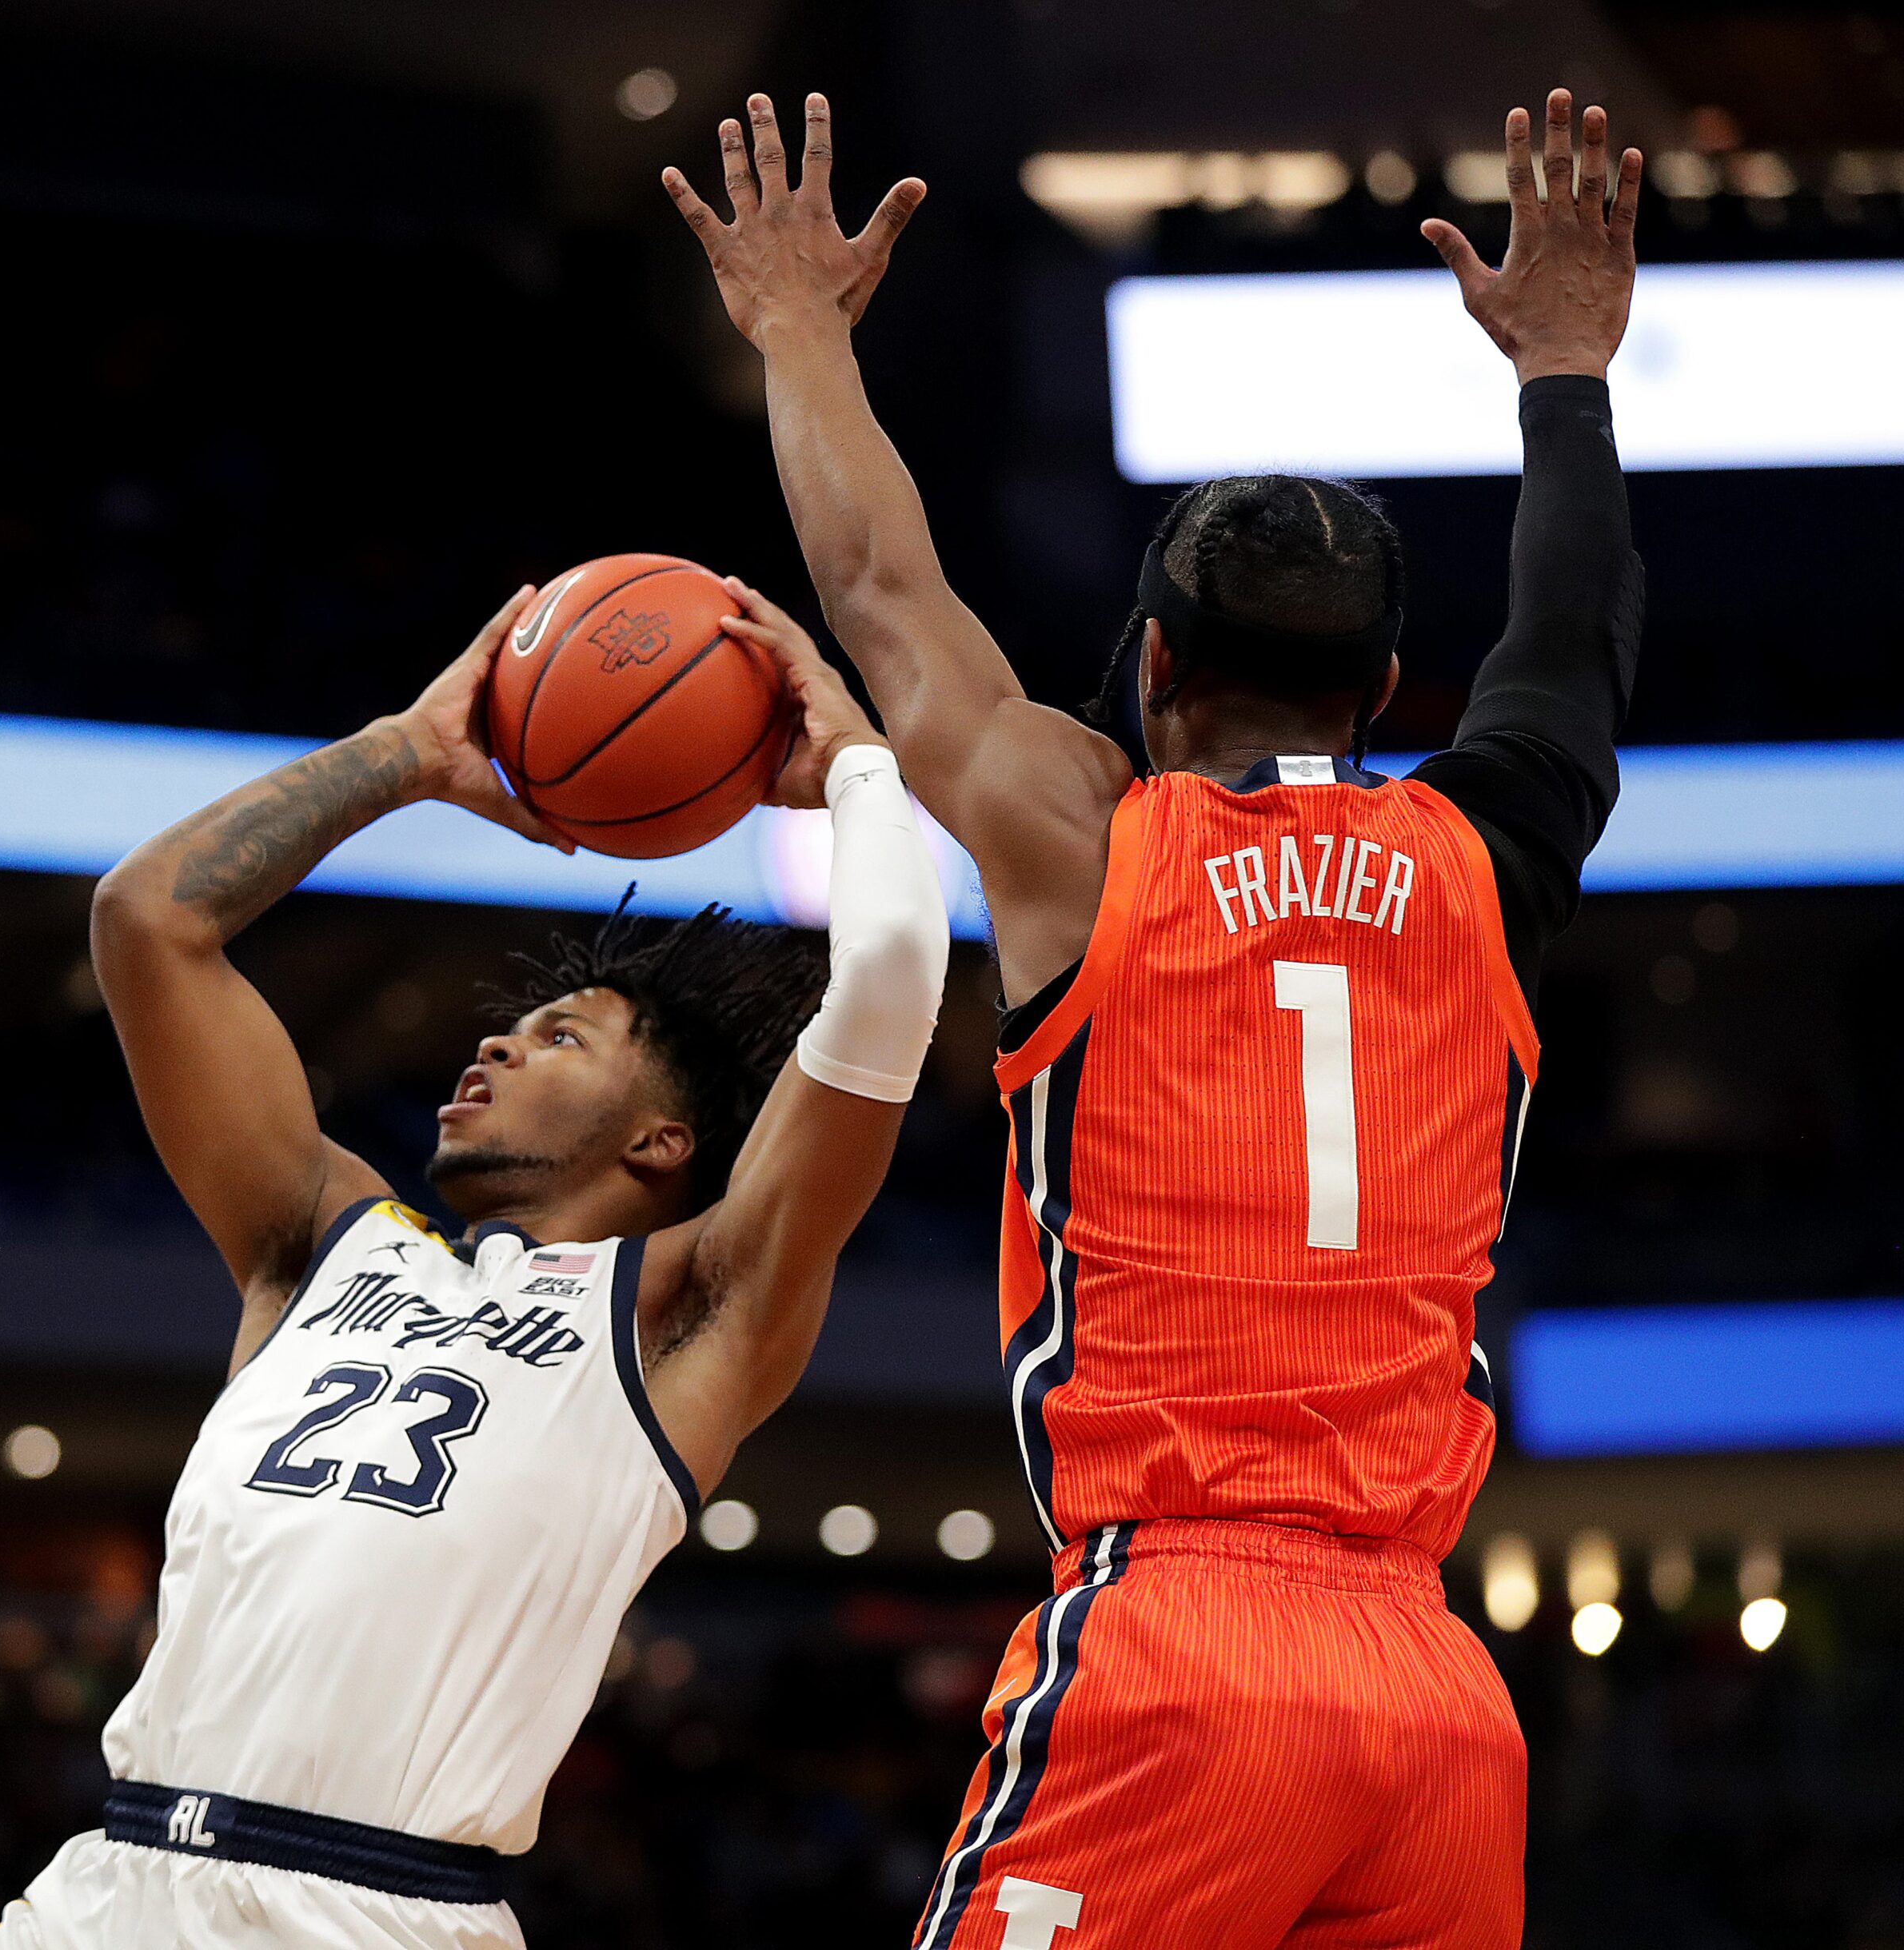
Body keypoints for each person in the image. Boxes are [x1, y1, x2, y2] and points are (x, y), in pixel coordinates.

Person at [668, 87, 1643, 1949]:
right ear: (1376, 687)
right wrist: (1568, 374)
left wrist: (795, 325)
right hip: (1435, 1692)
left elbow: (880, 587)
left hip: (1181, 1634)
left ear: (1153, 662)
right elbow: (1570, 641)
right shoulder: (1481, 857)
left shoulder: (1085, 833)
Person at [0, 580, 951, 1948]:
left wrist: (851, 762)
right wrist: (408, 756)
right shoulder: (325, 1238)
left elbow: (896, 966)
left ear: (665, 1140)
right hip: (112, 1883)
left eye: (559, 1038)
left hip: (382, 1911)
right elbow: (148, 921)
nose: (490, 1046)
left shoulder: (689, 1309)